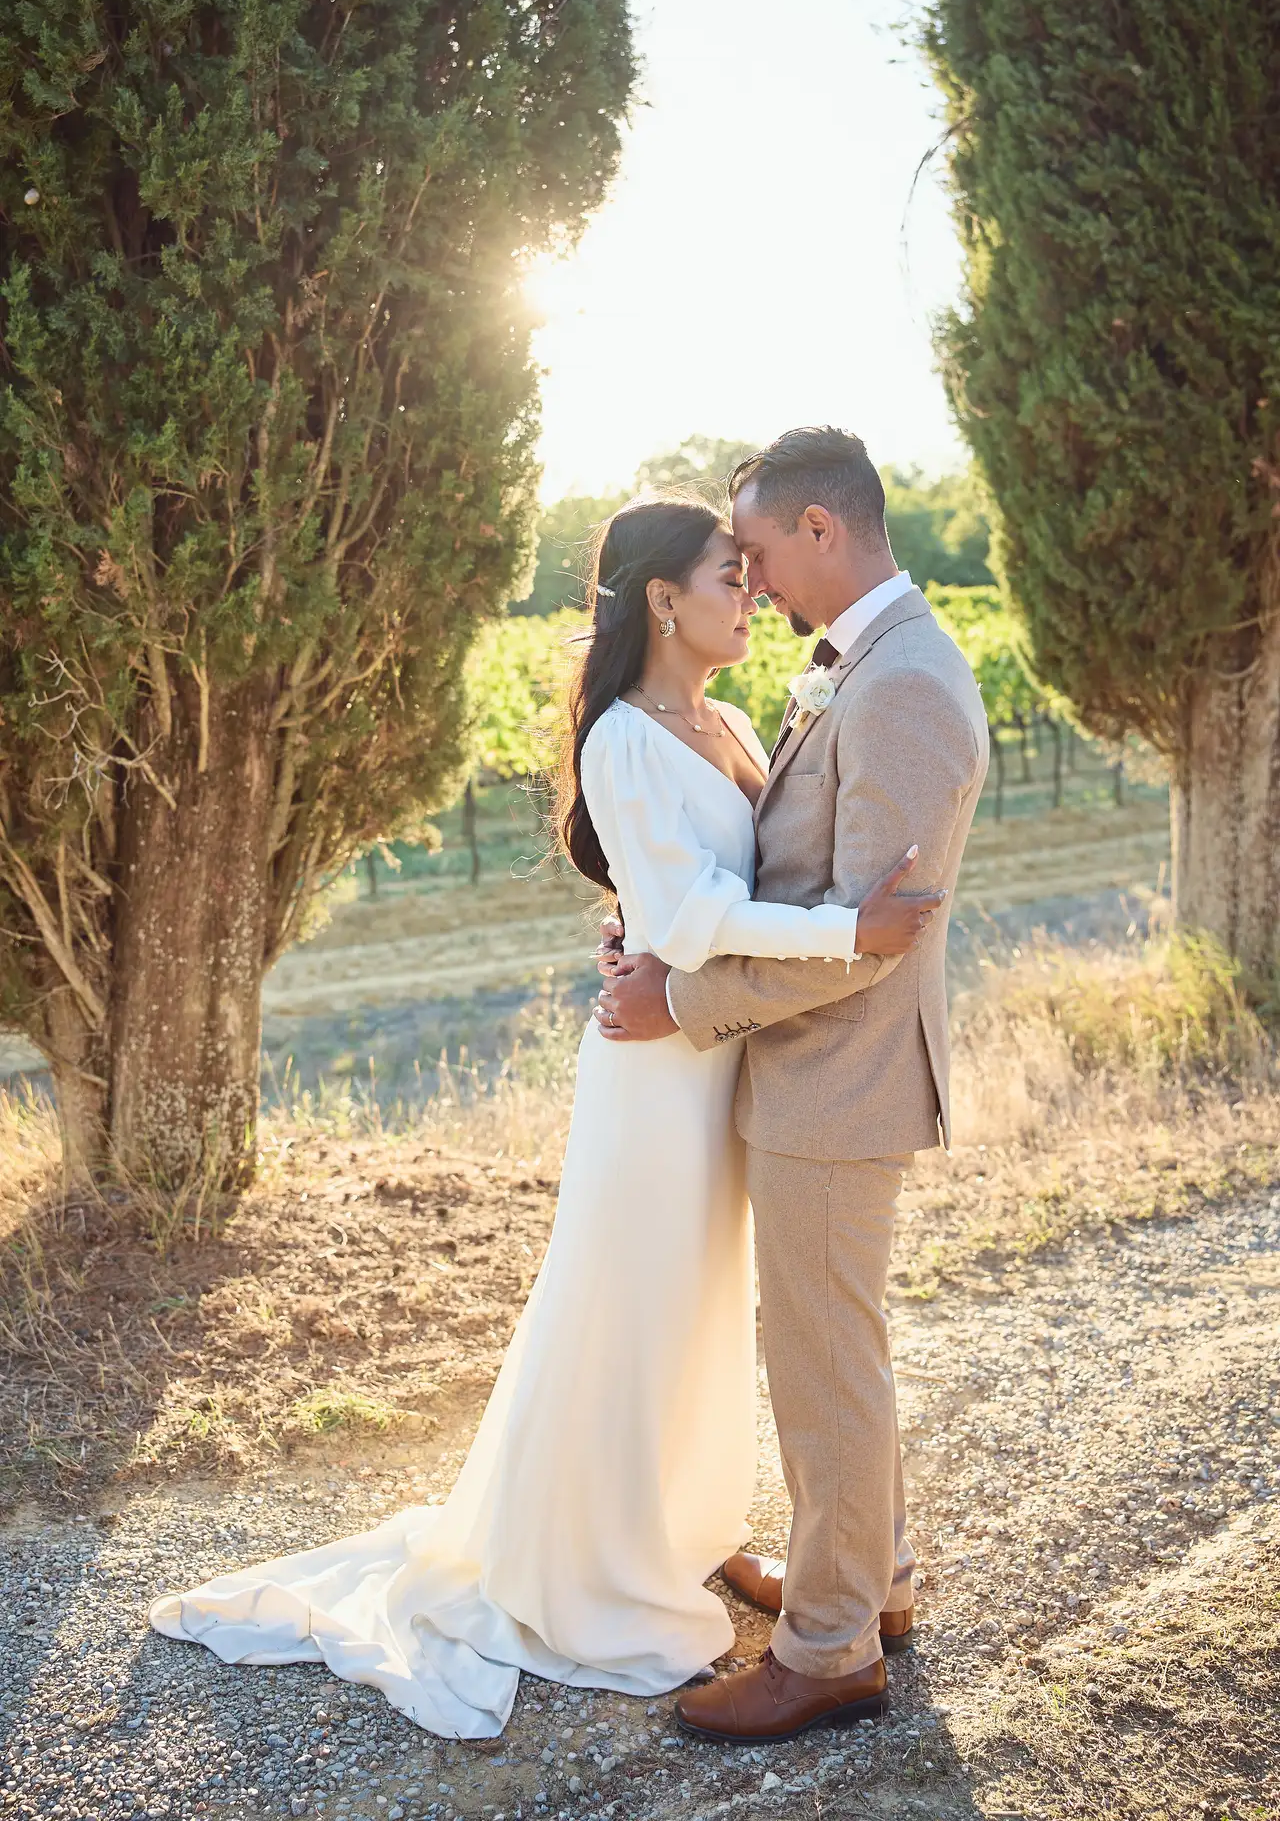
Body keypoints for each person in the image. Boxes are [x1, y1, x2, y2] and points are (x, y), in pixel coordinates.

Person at [147, 490, 937, 1739]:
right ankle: (588, 1572)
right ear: (664, 600)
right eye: (728, 573)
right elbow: (680, 922)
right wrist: (850, 931)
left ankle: (679, 1526)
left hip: (719, 1052)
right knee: (624, 1303)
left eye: (751, 568)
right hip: (657, 1075)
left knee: (694, 1314)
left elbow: (754, 870)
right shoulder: (623, 736)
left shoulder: (730, 716)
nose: (750, 590)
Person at [595, 428, 989, 1741]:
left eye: (756, 550)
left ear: (821, 531)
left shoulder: (904, 684)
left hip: (842, 1071)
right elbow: (792, 882)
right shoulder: (863, 666)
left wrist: (680, 1001)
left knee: (825, 1359)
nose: (750, 580)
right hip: (814, 1071)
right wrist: (656, 932)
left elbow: (878, 939)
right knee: (826, 1347)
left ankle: (826, 1652)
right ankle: (866, 1583)